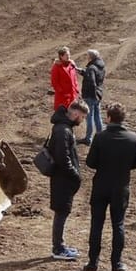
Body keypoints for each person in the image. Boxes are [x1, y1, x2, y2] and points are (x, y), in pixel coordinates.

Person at [83, 103, 136, 271]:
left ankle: (93, 262)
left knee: (97, 224)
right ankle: (116, 263)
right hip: (121, 187)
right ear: (123, 119)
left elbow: (90, 162)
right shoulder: (133, 138)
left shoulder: (100, 137)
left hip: (101, 186)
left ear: (108, 118)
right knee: (118, 224)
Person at [46, 100, 86, 259]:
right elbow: (64, 158)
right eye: (82, 117)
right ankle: (58, 249)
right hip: (63, 179)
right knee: (62, 212)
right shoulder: (64, 130)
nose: (82, 121)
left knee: (62, 211)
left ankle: (59, 246)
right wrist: (74, 175)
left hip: (62, 178)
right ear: (75, 114)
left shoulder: (63, 127)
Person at [78, 49, 106, 144]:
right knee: (97, 116)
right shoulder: (100, 66)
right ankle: (100, 137)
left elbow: (91, 82)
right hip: (98, 94)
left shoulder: (91, 68)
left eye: (87, 56)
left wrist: (87, 94)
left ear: (90, 57)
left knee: (89, 117)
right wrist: (81, 71)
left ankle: (88, 139)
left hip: (91, 96)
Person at [49, 48, 80, 112]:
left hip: (72, 95)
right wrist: (62, 92)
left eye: (69, 54)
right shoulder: (56, 67)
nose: (68, 56)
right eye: (66, 55)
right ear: (61, 56)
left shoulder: (72, 65)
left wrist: (76, 89)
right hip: (62, 97)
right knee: (63, 115)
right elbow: (54, 82)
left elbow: (75, 78)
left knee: (72, 115)